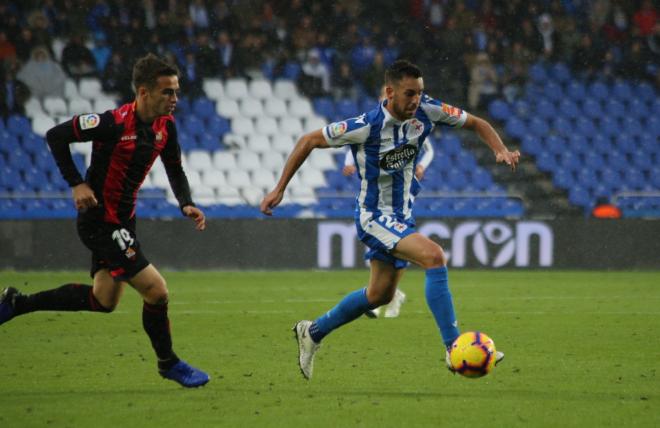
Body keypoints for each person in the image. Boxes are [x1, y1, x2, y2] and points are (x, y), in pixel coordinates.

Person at [260, 60, 520, 379]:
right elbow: (309, 140)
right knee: (434, 256)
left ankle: (312, 332)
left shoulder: (428, 110)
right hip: (373, 217)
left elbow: (477, 123)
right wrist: (279, 188)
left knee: (379, 295)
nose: (416, 100)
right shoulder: (365, 125)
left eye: (420, 92)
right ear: (390, 91)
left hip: (402, 217)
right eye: (409, 93)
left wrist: (500, 150)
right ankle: (454, 348)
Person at [0, 53, 209, 388]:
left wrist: (186, 203)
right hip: (100, 222)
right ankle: (168, 363)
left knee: (104, 300)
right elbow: (56, 135)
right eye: (167, 92)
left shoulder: (165, 127)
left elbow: (174, 167)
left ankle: (16, 303)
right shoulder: (111, 123)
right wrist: (76, 183)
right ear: (143, 92)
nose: (175, 99)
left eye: (176, 91)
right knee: (156, 291)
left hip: (124, 222)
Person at [341, 86, 436, 319]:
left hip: (403, 186)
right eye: (385, 96)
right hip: (380, 189)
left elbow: (429, 149)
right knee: (384, 243)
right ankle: (389, 295)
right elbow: (352, 143)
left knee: (394, 240)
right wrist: (348, 161)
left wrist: (422, 165)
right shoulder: (373, 123)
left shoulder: (411, 124)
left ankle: (386, 296)